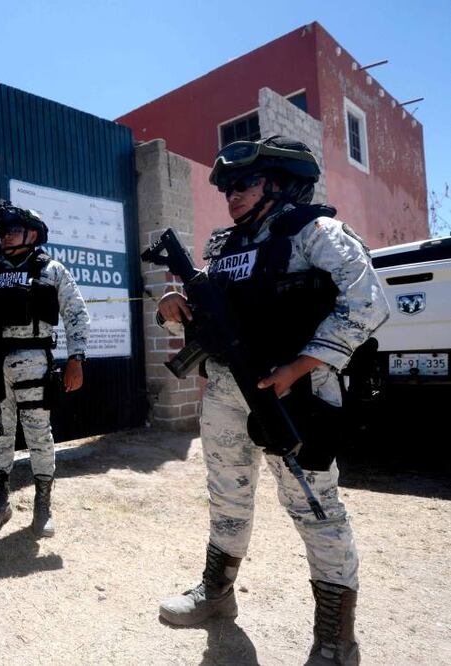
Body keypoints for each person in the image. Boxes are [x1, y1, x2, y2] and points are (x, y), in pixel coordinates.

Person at [155, 136, 389, 666]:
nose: (231, 195)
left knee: (315, 509)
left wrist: (300, 366)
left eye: (243, 184)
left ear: (280, 183)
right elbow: (210, 307)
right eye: (227, 187)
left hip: (296, 392)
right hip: (225, 393)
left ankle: (335, 640)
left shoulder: (316, 233)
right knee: (227, 498)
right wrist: (173, 305)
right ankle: (216, 595)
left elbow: (368, 301)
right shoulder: (225, 246)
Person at [0, 202, 91, 538]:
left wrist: (77, 359)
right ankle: (0, 502)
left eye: (12, 230)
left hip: (34, 361)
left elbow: (76, 313)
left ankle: (42, 505)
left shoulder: (52, 270)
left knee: (38, 435)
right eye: (2, 231)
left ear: (33, 234)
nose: (4, 236)